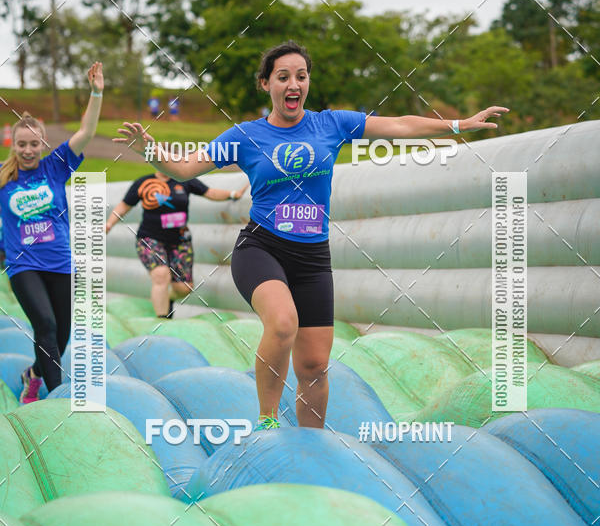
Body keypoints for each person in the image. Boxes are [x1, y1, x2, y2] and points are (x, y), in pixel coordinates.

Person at [113, 40, 508, 430]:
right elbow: (184, 169)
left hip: (313, 257)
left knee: (315, 366)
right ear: (266, 84)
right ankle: (267, 421)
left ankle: (311, 445)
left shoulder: (330, 124)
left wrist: (460, 124)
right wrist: (150, 153)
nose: (293, 85)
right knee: (283, 324)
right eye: (282, 77)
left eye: (301, 76)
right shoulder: (245, 136)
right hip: (261, 247)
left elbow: (399, 124)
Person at [0, 62, 104, 403]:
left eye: (33, 144)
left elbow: (86, 132)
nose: (28, 150)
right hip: (23, 265)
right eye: (21, 144)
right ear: (12, 145)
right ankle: (58, 397)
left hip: (60, 263)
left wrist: (96, 91)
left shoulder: (56, 167)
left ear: (43, 144)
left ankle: (34, 373)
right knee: (44, 324)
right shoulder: (4, 178)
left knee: (61, 336)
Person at [105, 171, 249, 318]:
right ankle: (162, 320)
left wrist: (232, 194)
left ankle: (167, 298)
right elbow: (124, 205)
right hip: (150, 239)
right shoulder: (144, 183)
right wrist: (109, 224)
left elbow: (209, 192)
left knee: (184, 287)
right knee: (161, 275)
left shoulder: (184, 180)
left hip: (179, 241)